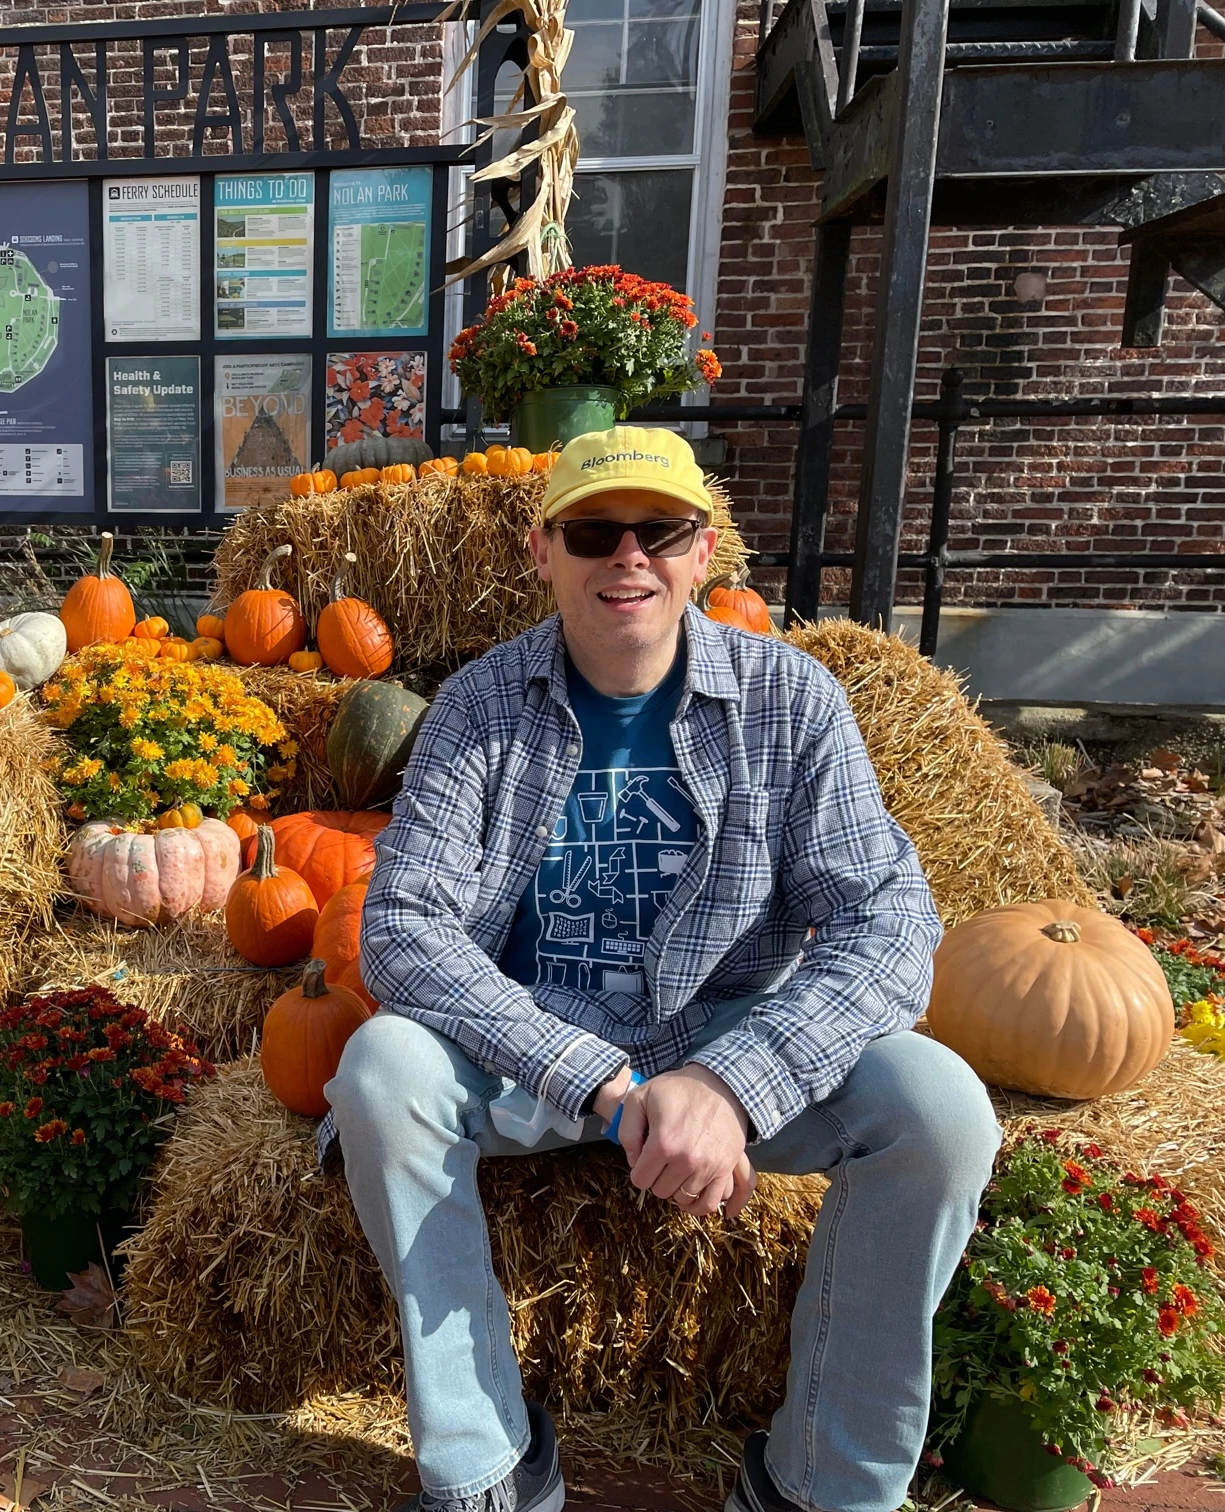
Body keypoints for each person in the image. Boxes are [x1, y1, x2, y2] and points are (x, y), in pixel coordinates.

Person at [323, 427, 1001, 1512]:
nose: (626, 556)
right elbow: (403, 927)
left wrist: (734, 1083)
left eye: (660, 531)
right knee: (379, 1069)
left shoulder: (794, 703)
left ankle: (824, 1485)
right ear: (544, 550)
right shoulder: (478, 708)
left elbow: (888, 918)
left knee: (941, 1108)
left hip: (731, 1040)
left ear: (703, 552)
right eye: (594, 530)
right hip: (537, 1049)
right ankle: (488, 1464)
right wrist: (596, 1074)